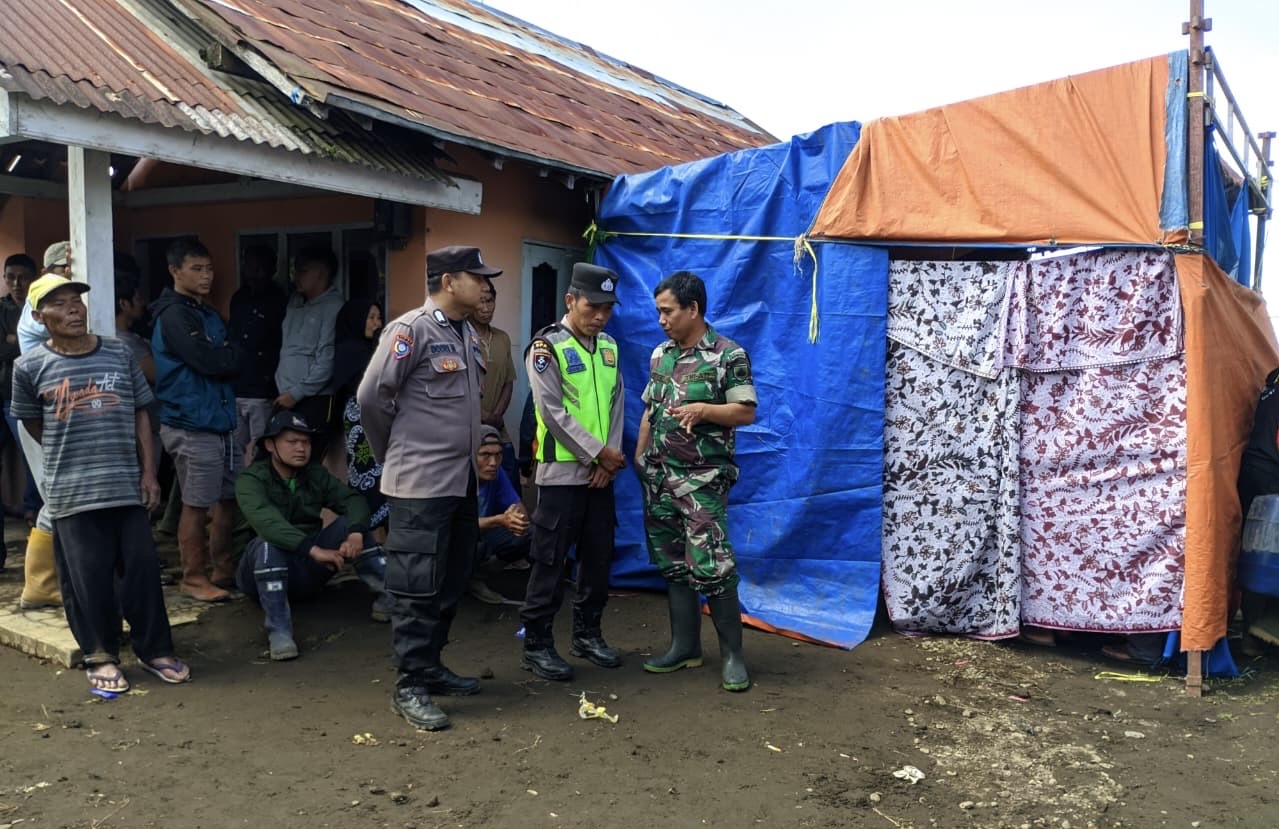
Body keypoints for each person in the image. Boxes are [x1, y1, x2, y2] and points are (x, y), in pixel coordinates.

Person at [11, 274, 190, 691]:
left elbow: (141, 413)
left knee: (142, 571)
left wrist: (148, 472)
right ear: (39, 316)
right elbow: (33, 423)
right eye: (60, 304)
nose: (74, 308)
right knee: (87, 580)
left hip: (125, 484)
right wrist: (69, 451)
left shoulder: (117, 353)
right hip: (72, 490)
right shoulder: (29, 367)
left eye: (77, 300)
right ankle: (101, 654)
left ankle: (155, 650)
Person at [357, 244, 500, 732]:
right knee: (416, 587)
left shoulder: (465, 335)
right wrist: (391, 453)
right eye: (475, 277)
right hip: (419, 482)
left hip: (458, 482)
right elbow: (371, 397)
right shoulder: (410, 330)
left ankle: (431, 666)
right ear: (447, 281)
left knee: (453, 576)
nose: (484, 286)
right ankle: (409, 685)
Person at [635, 270, 757, 692]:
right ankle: (684, 647)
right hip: (660, 476)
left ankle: (733, 657)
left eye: (668, 311)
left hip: (702, 481)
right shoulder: (660, 356)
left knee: (713, 566)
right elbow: (650, 409)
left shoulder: (727, 355)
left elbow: (745, 411)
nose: (662, 320)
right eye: (658, 312)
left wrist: (705, 410)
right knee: (672, 564)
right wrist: (640, 452)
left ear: (693, 309)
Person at [520, 262, 626, 681]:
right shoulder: (547, 348)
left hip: (600, 476)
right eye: (592, 306)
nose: (599, 316)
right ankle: (537, 645)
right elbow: (552, 412)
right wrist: (597, 454)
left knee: (598, 560)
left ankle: (587, 634)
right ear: (571, 301)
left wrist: (610, 459)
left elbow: (617, 404)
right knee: (549, 562)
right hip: (562, 476)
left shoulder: (609, 348)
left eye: (607, 308)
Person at [235, 410, 389, 661]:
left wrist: (356, 535)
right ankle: (279, 631)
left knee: (351, 525)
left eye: (305, 442)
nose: (301, 448)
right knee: (267, 543)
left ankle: (388, 599)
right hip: (260, 573)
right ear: (270, 445)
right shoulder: (251, 480)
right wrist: (313, 549)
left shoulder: (314, 474)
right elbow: (267, 522)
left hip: (307, 570)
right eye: (291, 442)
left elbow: (352, 501)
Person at [150, 239, 241, 602]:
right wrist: (226, 357)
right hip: (190, 421)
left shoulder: (207, 313)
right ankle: (193, 576)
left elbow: (234, 355)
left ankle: (223, 567)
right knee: (196, 502)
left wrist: (226, 356)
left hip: (220, 417)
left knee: (228, 498)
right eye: (197, 269)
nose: (206, 276)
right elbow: (212, 361)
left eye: (209, 268)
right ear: (175, 271)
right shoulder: (173, 315)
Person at [13, 243, 66, 609]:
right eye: (70, 266)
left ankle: (53, 579)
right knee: (56, 496)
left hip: (57, 411)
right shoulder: (42, 299)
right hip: (41, 415)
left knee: (61, 496)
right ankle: (39, 587)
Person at [274, 246, 343, 461]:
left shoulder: (334, 307)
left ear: (320, 274)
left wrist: (296, 393)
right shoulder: (295, 302)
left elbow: (327, 361)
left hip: (313, 399)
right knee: (281, 464)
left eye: (303, 271)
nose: (296, 276)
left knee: (306, 465)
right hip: (285, 396)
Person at [331, 298, 388, 536]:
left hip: (381, 421)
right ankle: (359, 534)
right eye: (371, 317)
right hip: (359, 420)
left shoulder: (376, 349)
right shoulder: (350, 351)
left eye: (379, 317)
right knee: (366, 476)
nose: (377, 323)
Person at [228, 245, 287, 464]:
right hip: (236, 386)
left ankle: (260, 493)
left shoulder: (278, 299)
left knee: (262, 449)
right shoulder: (239, 297)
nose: (254, 272)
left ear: (270, 268)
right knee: (234, 450)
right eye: (250, 266)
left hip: (263, 389)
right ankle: (237, 494)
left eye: (259, 267)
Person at [1, 253, 37, 563]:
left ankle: (32, 511)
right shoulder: (2, 308)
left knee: (32, 453)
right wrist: (14, 343)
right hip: (3, 392)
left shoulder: (37, 309)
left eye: (22, 277)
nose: (16, 284)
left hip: (20, 395)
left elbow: (28, 348)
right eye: (10, 277)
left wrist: (14, 341)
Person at [469, 425, 530, 604]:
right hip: (453, 541)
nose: (493, 462)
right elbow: (455, 525)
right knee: (471, 541)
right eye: (485, 455)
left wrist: (514, 517)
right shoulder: (457, 476)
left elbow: (523, 516)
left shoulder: (497, 473)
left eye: (498, 455)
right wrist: (499, 520)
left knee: (530, 533)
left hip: (482, 536)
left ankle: (477, 577)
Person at [471, 277, 520, 490]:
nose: (485, 308)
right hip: (471, 429)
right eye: (480, 302)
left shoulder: (502, 338)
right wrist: (481, 415)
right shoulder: (460, 337)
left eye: (489, 301)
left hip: (499, 428)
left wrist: (496, 415)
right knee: (479, 496)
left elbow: (508, 382)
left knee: (511, 485)